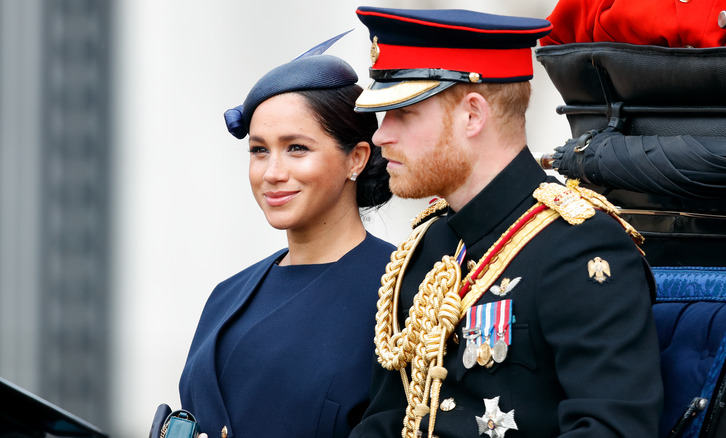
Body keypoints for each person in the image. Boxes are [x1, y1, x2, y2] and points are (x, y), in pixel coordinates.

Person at [347, 7, 664, 438]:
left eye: (403, 113)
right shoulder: (427, 246)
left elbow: (611, 429)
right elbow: (386, 421)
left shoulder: (581, 248)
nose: (381, 135)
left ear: (472, 115)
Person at [176, 42, 395, 438]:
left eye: (296, 148)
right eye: (259, 151)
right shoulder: (227, 295)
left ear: (357, 158)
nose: (272, 172)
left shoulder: (397, 290)